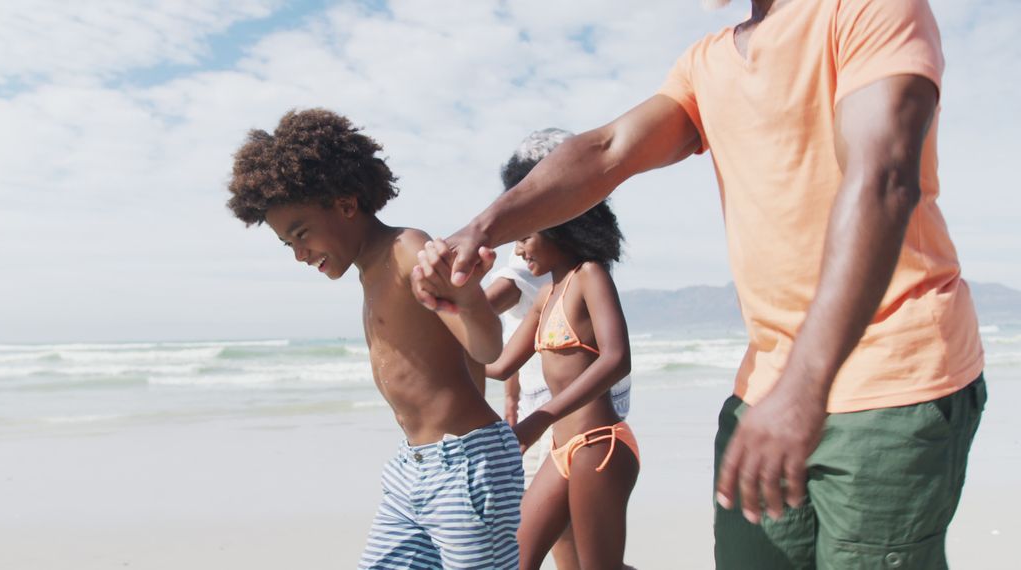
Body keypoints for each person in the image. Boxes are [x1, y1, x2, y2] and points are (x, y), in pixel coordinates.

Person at [415, 0, 986, 567]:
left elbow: (883, 179)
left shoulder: (867, 9)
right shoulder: (707, 62)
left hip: (892, 382)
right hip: (765, 392)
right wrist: (479, 228)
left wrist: (803, 386)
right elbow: (607, 151)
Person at [226, 108, 523, 570]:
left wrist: (468, 299)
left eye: (302, 234)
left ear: (346, 205)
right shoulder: (367, 273)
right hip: (412, 468)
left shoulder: (407, 251)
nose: (300, 255)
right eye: (289, 245)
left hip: (466, 465)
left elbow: (485, 349)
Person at [483, 128, 634, 570]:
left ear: (559, 224)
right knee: (516, 561)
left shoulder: (590, 275)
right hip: (560, 451)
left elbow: (616, 357)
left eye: (526, 235)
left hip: (599, 445)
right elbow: (494, 364)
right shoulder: (547, 296)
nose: (519, 248)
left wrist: (539, 418)